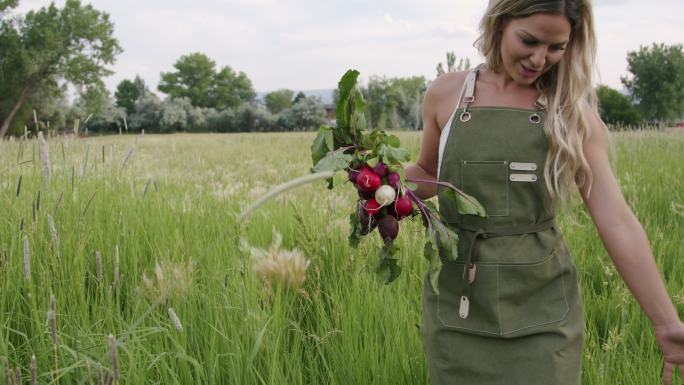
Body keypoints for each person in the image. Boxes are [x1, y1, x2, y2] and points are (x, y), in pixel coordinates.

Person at [404, 0, 684, 384]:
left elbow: (615, 219)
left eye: (556, 47)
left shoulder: (570, 113)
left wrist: (667, 323)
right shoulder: (446, 94)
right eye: (529, 41)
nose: (539, 59)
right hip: (459, 305)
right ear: (500, 23)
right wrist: (383, 180)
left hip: (542, 310)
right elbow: (429, 174)